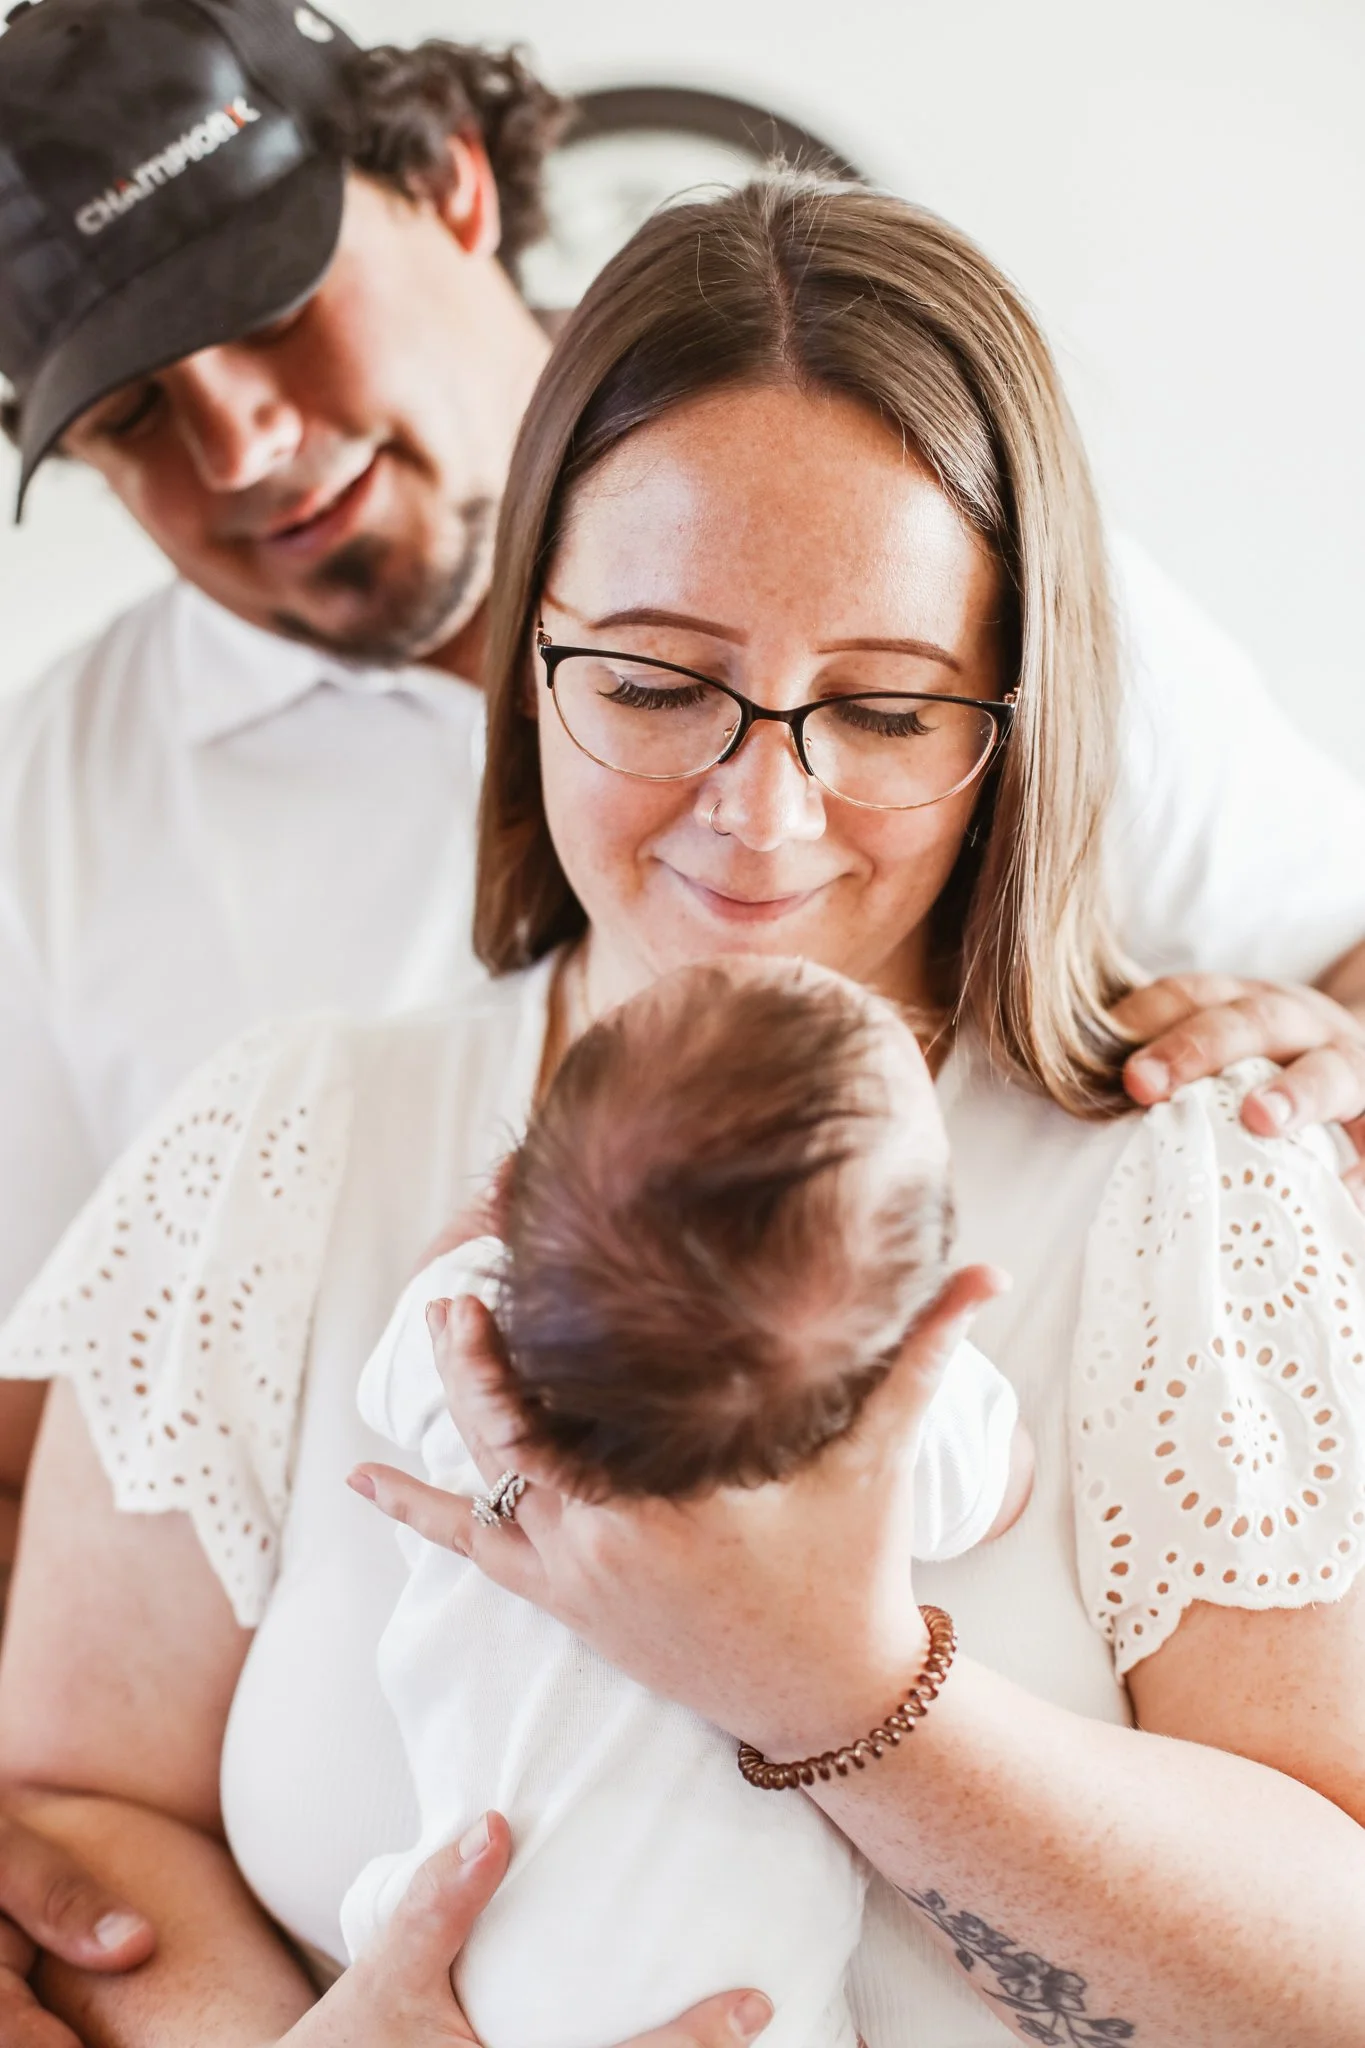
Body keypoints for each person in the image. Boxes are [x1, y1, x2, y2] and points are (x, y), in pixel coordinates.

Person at [2, 174, 1364, 2045]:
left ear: (1014, 718)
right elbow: (82, 1809)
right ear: (522, 660)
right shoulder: (284, 1146)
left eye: (884, 713)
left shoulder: (1189, 1192)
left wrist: (840, 1684)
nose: (761, 815)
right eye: (653, 683)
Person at [3, 0, 1365, 1526]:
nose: (242, 443)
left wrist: (1312, 1071)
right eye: (132, 415)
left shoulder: (981, 584)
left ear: (452, 184)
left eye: (268, 307)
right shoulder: (67, 803)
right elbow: (55, 1461)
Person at [340, 957, 1031, 2048]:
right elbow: (995, 1493)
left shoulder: (473, 1351)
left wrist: (489, 1227)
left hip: (442, 1935)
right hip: (721, 1994)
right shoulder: (879, 1441)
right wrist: (937, 1375)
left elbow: (416, 1322)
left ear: (521, 1199)